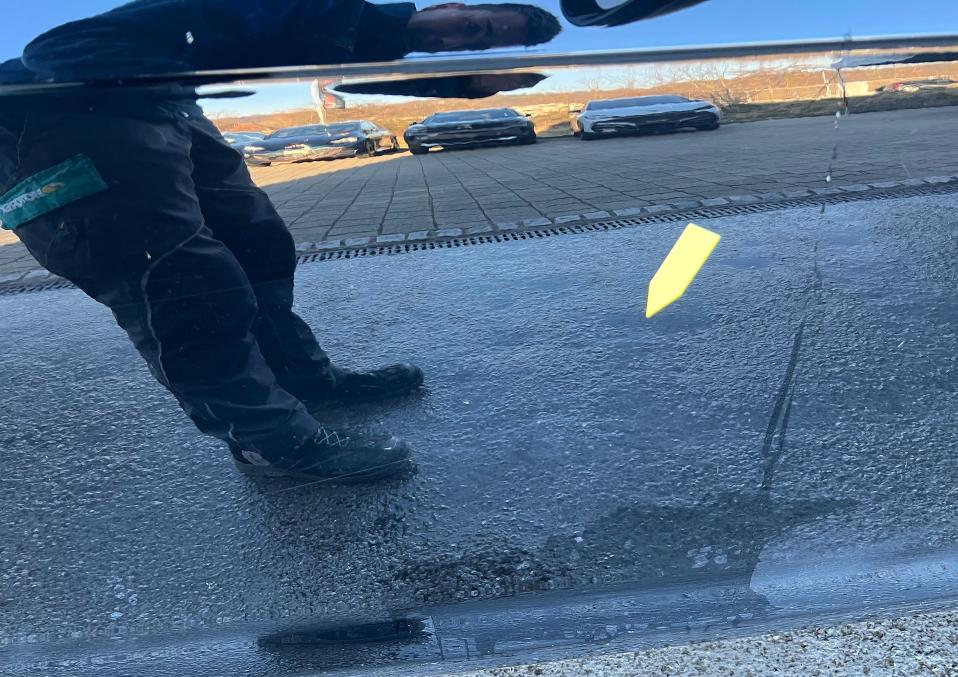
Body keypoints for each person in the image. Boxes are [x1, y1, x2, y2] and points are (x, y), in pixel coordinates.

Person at [0, 0, 561, 484]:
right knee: (176, 275)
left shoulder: (357, 31)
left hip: (166, 104)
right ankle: (266, 439)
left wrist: (460, 83)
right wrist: (135, 82)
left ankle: (301, 380)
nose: (453, 42)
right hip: (56, 107)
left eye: (469, 46)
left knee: (257, 241)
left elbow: (353, 53)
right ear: (450, 6)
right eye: (473, 27)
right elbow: (57, 48)